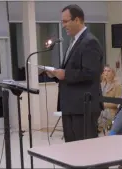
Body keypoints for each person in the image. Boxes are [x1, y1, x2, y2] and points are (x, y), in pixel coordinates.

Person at [46, 4, 103, 142]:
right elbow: (72, 69)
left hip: (84, 106)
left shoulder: (90, 42)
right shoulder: (73, 42)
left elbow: (91, 73)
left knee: (87, 152)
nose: (63, 25)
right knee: (72, 150)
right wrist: (55, 74)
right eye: (62, 22)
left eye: (66, 21)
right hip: (70, 106)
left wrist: (65, 74)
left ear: (77, 20)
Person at [98, 65, 122, 132]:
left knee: (102, 114)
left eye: (109, 71)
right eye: (105, 71)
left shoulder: (117, 85)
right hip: (100, 109)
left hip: (111, 111)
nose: (106, 73)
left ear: (113, 73)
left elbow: (117, 103)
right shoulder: (100, 84)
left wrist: (102, 105)